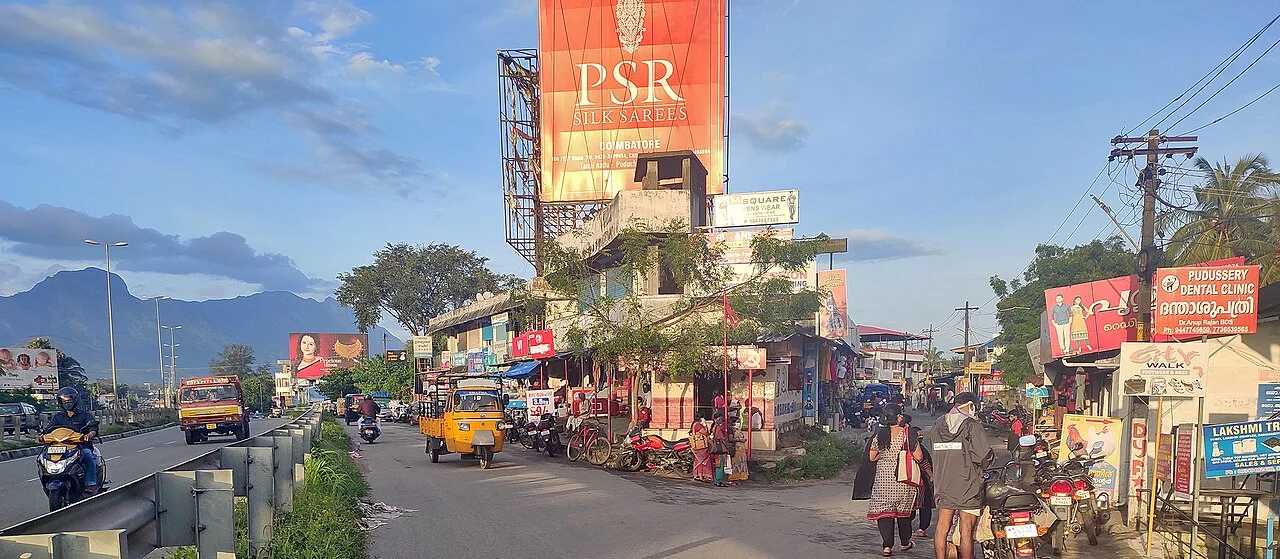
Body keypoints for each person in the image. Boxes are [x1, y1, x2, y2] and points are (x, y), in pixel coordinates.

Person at [926, 392, 994, 559]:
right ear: (971, 405)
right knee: (966, 530)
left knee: (942, 528)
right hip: (968, 485)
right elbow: (984, 456)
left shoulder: (938, 423)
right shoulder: (972, 425)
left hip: (943, 483)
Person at [867, 404, 924, 556]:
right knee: (904, 515)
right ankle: (905, 543)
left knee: (885, 515)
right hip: (904, 480)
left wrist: (884, 456)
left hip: (883, 482)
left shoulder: (879, 435)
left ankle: (887, 546)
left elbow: (872, 457)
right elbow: (919, 457)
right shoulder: (908, 434)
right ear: (899, 417)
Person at [44, 387, 100, 493]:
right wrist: (41, 436)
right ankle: (48, 479)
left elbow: (93, 428)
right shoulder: (57, 417)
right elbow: (48, 430)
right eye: (64, 401)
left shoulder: (84, 415)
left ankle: (91, 483)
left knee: (88, 456)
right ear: (60, 402)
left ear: (75, 400)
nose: (67, 403)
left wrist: (90, 434)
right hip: (60, 447)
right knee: (42, 457)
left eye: (69, 400)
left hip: (81, 446)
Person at [690, 416, 715, 482]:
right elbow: (705, 432)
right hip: (701, 446)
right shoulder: (698, 425)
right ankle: (702, 476)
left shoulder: (694, 424)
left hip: (697, 445)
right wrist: (705, 426)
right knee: (704, 460)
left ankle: (699, 475)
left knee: (699, 460)